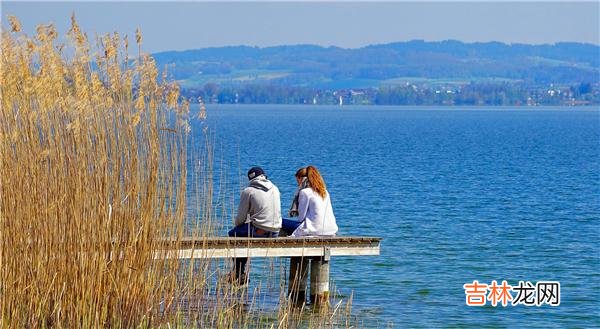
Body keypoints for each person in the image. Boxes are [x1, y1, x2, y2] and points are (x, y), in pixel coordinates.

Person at [228, 166, 282, 285]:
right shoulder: (275, 188)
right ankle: (239, 272)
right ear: (264, 176)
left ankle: (238, 271)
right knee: (244, 233)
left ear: (250, 179)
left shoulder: (248, 191)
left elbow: (240, 218)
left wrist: (238, 225)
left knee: (233, 234)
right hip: (276, 231)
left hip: (259, 230)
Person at [281, 165, 338, 237]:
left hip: (315, 230)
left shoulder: (305, 192)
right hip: (331, 229)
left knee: (279, 221)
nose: (298, 184)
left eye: (297, 180)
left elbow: (301, 218)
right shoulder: (325, 192)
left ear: (301, 179)